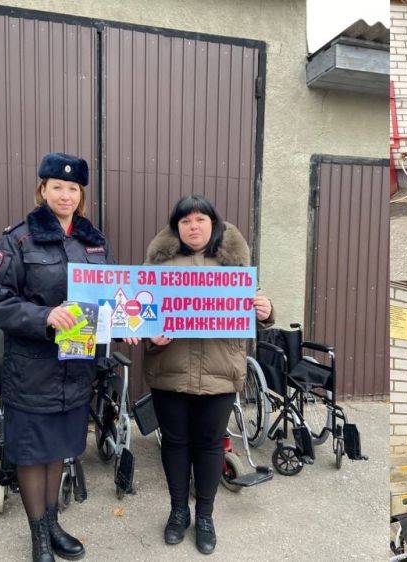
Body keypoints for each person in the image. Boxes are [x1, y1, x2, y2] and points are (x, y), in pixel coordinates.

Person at [0, 152, 137, 562]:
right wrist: (44, 315)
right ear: (42, 189)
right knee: (33, 453)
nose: (65, 195)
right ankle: (38, 538)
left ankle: (52, 525)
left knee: (59, 450)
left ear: (81, 193)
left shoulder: (94, 241)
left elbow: (109, 299)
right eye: (57, 187)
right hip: (31, 368)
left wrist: (126, 327)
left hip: (76, 369)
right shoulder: (18, 239)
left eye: (73, 188)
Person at [142, 195, 274, 555]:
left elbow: (255, 301)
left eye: (201, 219)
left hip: (219, 372)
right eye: (185, 221)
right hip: (170, 371)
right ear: (177, 227)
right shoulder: (157, 267)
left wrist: (265, 309)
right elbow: (139, 310)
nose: (194, 227)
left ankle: (205, 516)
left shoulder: (233, 264)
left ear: (214, 224)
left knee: (211, 445)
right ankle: (177, 512)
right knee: (175, 443)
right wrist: (149, 330)